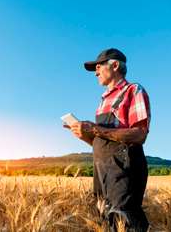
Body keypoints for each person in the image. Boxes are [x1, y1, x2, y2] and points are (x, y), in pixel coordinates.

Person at [63, 48, 151, 231]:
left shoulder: (133, 91)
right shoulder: (102, 102)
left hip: (124, 169)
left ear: (115, 65)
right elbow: (105, 142)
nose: (95, 73)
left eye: (98, 67)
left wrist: (95, 128)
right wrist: (86, 136)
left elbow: (140, 134)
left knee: (126, 221)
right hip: (102, 170)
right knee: (105, 219)